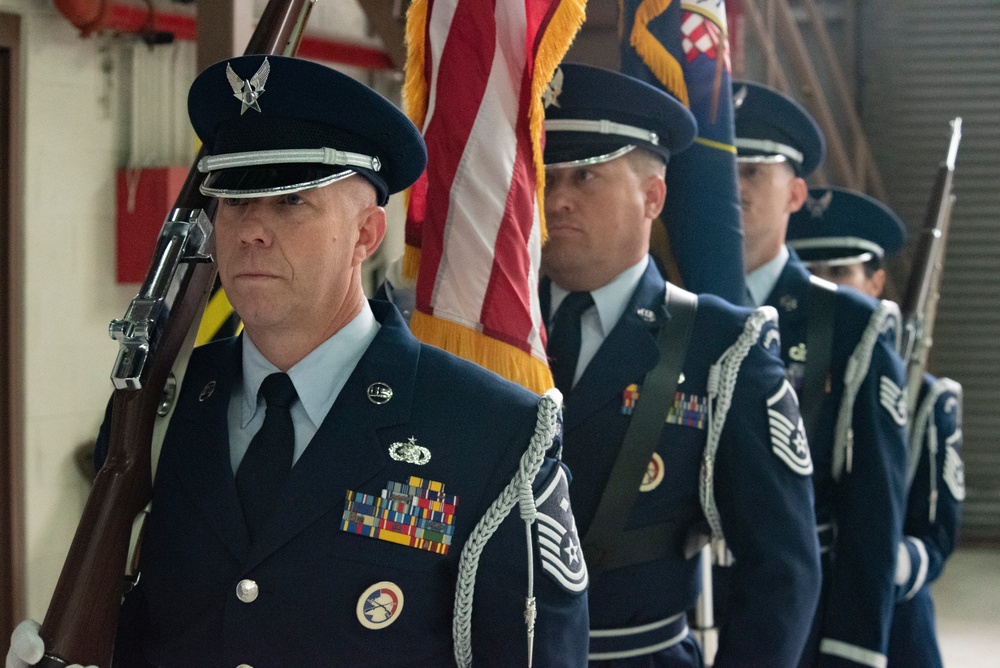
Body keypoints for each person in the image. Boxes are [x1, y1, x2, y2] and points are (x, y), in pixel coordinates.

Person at [7, 55, 589, 668]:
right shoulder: (160, 406)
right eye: (234, 203)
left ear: (366, 235)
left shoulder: (489, 433)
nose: (251, 230)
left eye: (290, 203)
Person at [539, 62, 821, 667]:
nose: (557, 199)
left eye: (586, 176)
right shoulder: (487, 333)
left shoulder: (722, 346)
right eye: (547, 177)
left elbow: (781, 570)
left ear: (653, 196)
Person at [733, 81, 909, 668]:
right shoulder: (669, 311)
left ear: (796, 193)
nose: (731, 187)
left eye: (753, 170)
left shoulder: (850, 324)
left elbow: (872, 509)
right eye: (719, 168)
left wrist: (852, 650)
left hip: (807, 620)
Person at [787, 187, 965, 668]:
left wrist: (879, 565)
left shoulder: (925, 397)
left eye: (841, 273)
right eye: (809, 274)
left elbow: (936, 533)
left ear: (876, 282)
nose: (827, 288)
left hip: (893, 625)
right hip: (798, 615)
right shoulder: (773, 382)